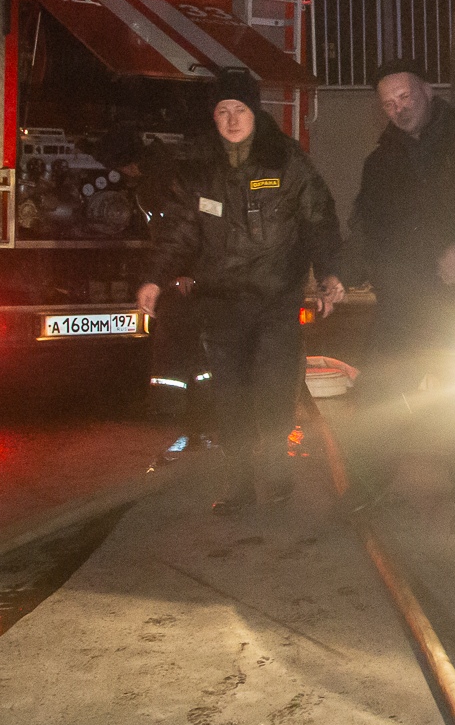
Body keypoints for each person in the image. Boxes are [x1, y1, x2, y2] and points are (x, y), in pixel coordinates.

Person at [137, 68, 340, 507]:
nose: (232, 120)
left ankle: (276, 471)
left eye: (240, 109)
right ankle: (240, 485)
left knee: (272, 390)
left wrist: (329, 273)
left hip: (274, 300)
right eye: (223, 111)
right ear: (214, 117)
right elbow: (179, 232)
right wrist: (154, 277)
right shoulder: (196, 168)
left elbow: (318, 219)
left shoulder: (285, 161)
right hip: (222, 302)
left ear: (255, 111)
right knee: (229, 398)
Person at [341, 59, 455, 396]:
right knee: (374, 401)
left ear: (427, 91)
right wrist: (339, 275)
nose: (399, 109)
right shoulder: (379, 163)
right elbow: (367, 227)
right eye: (389, 104)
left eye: (404, 97)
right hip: (402, 302)